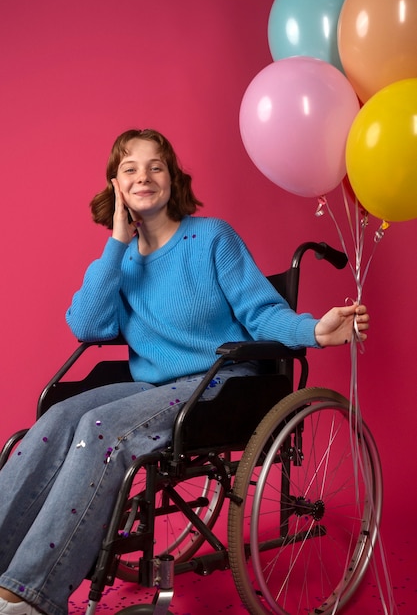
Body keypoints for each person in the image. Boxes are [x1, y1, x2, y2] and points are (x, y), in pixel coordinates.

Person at [0, 128, 369, 615]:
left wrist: (314, 331)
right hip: (153, 384)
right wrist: (116, 243)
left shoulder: (212, 237)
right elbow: (88, 326)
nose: (143, 177)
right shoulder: (124, 261)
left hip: (220, 381)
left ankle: (28, 595)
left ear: (172, 178)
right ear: (115, 186)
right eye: (129, 169)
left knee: (99, 428)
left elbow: (262, 313)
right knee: (57, 419)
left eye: (155, 166)